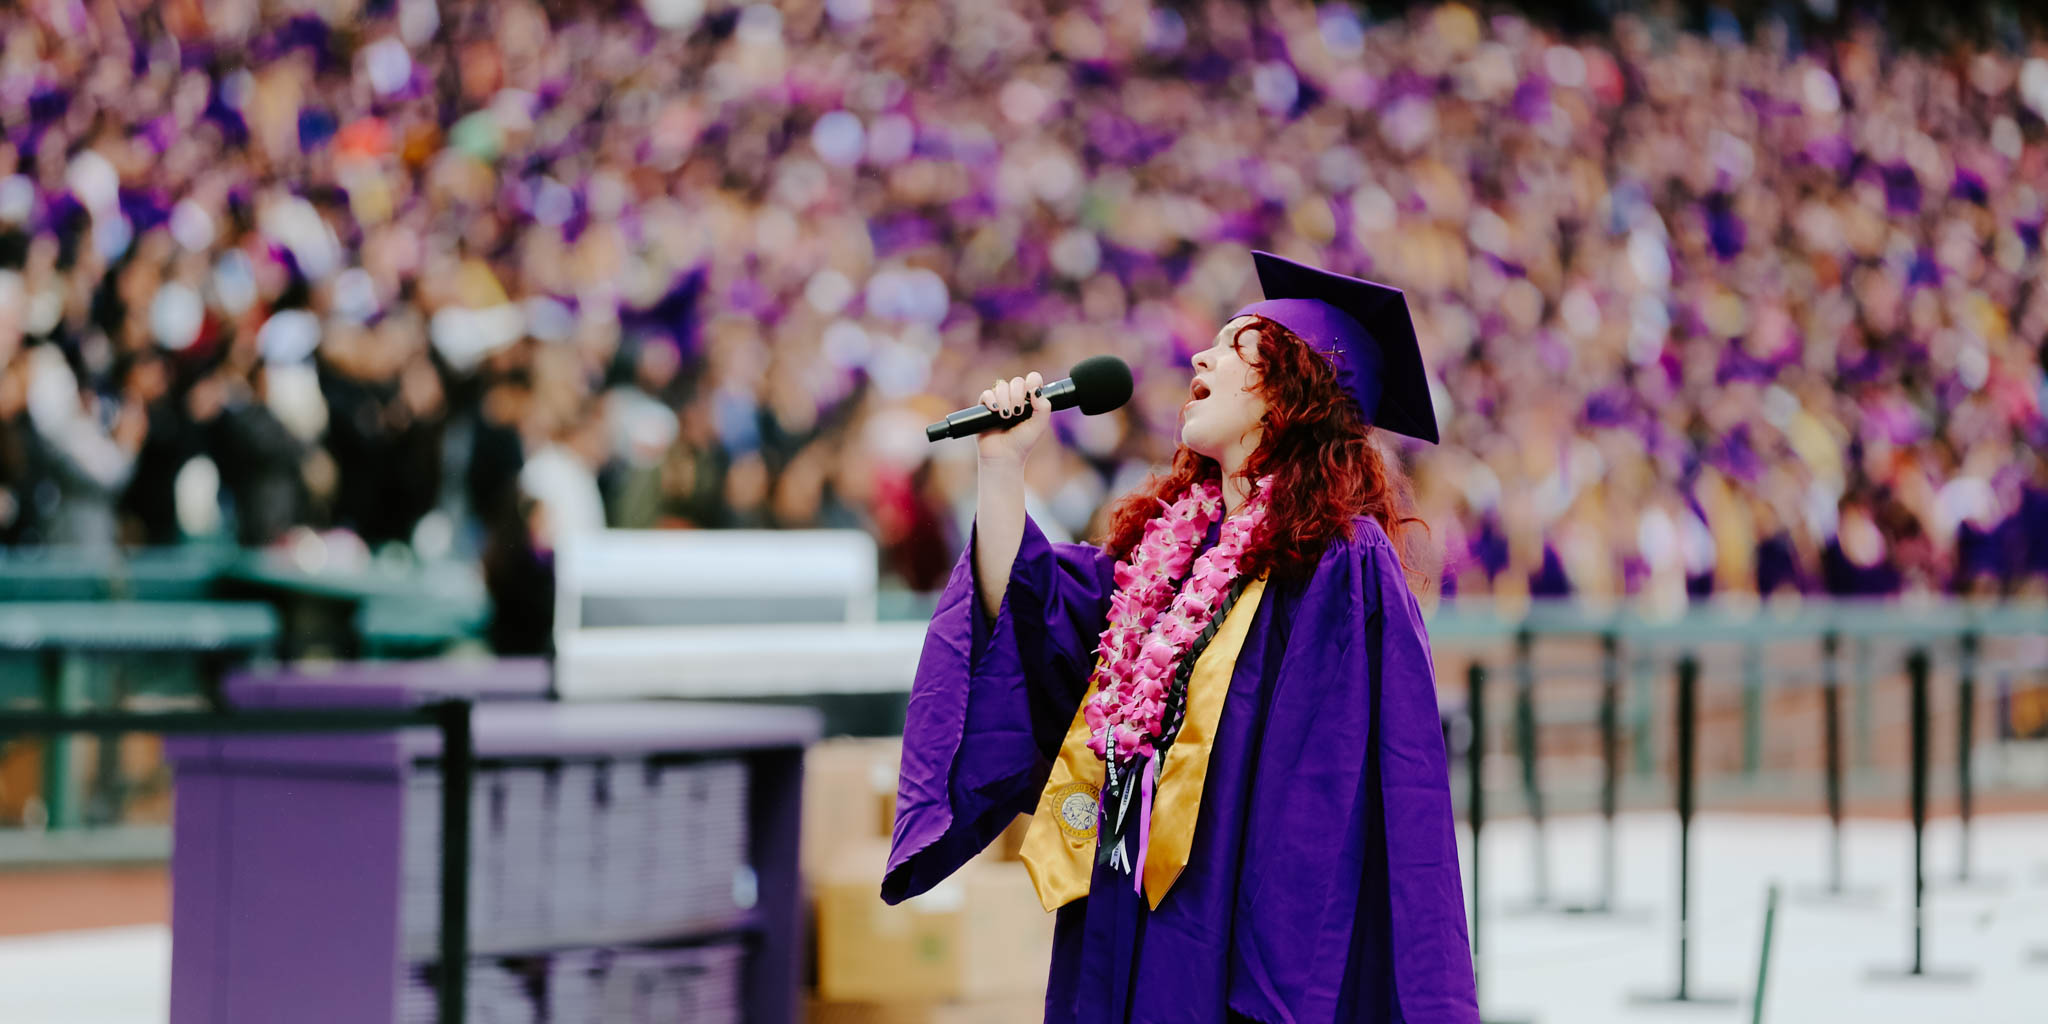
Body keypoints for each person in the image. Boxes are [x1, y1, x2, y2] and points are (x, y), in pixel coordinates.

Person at [886, 252, 1478, 1023]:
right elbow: (1030, 621)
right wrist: (1002, 468)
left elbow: (1325, 797)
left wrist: (1274, 985)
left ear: (1291, 393)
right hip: (1118, 905)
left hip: (1225, 929)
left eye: (1237, 348)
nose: (1201, 354)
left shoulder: (1339, 561)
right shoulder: (1164, 558)